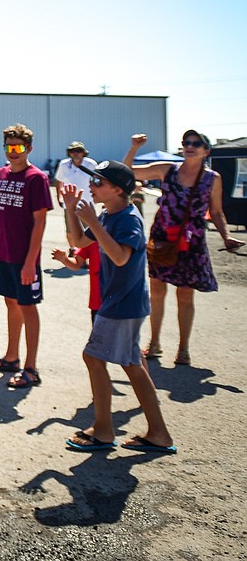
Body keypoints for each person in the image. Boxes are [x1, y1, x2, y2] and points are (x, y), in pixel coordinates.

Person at [62, 165, 175, 454]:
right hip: (119, 301)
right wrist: (71, 209)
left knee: (94, 357)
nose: (93, 184)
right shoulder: (108, 215)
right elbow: (79, 242)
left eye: (99, 181)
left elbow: (121, 257)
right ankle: (158, 433)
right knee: (131, 365)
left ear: (118, 190)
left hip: (124, 304)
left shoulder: (126, 219)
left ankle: (104, 430)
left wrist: (94, 223)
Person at [123, 131, 244, 366]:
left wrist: (226, 236)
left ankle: (183, 348)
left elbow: (216, 212)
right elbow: (127, 173)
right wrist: (134, 148)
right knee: (157, 290)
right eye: (186, 143)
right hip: (162, 236)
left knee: (185, 295)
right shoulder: (167, 169)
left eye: (196, 143)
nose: (189, 146)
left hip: (192, 241)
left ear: (206, 151)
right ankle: (155, 342)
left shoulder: (212, 178)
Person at [0, 124, 53, 388]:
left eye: (18, 147)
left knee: (27, 307)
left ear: (29, 149)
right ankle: (11, 357)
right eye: (9, 147)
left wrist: (30, 263)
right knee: (11, 303)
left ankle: (31, 367)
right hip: (4, 253)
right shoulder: (1, 174)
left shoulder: (37, 178)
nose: (13, 152)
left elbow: (40, 222)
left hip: (25, 258)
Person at [50, 241, 101, 322]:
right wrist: (64, 259)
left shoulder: (122, 234)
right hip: (97, 302)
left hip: (120, 300)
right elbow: (77, 263)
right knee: (99, 333)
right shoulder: (91, 237)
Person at [54, 141, 97, 215]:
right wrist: (59, 198)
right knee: (71, 226)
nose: (76, 154)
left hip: (87, 204)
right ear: (69, 153)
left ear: (83, 153)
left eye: (79, 151)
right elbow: (59, 181)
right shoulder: (63, 165)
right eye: (72, 151)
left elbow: (98, 181)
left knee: (90, 226)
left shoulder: (91, 164)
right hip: (69, 204)